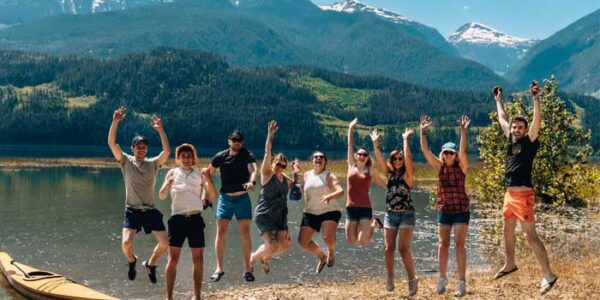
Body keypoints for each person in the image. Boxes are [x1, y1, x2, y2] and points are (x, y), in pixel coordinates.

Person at [493, 82, 558, 295]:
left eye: (520, 127)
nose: (516, 129)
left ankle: (548, 275)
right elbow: (502, 118)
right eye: (515, 127)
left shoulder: (530, 141)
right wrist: (498, 101)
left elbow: (537, 122)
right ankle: (510, 263)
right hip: (509, 195)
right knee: (507, 230)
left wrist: (536, 99)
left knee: (530, 237)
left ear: (525, 129)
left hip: (523, 195)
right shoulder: (510, 139)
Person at [107, 106, 171, 283]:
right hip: (132, 211)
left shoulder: (153, 164)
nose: (142, 149)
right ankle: (131, 260)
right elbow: (111, 143)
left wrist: (160, 130)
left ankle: (150, 264)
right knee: (126, 243)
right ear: (133, 148)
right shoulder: (125, 161)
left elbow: (166, 152)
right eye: (139, 147)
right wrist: (115, 122)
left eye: (144, 147)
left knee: (165, 243)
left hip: (150, 211)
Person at [420, 115, 471, 297]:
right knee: (443, 244)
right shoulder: (439, 166)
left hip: (461, 210)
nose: (448, 155)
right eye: (446, 153)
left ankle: (462, 283)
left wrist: (463, 132)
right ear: (442, 154)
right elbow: (425, 151)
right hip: (445, 209)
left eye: (451, 153)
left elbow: (464, 151)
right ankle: (442, 278)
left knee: (459, 245)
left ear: (455, 155)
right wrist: (423, 131)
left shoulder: (462, 167)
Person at [159, 144, 217, 300]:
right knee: (172, 260)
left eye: (189, 156)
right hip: (177, 219)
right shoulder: (172, 172)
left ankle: (197, 296)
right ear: (178, 159)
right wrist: (167, 184)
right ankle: (169, 297)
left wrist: (208, 179)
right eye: (182, 156)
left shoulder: (200, 175)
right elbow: (162, 196)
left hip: (195, 219)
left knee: (198, 260)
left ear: (193, 159)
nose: (186, 159)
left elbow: (213, 195)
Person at [370, 127, 418, 296]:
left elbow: (410, 158)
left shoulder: (408, 176)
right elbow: (380, 162)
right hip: (390, 214)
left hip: (406, 214)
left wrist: (405, 140)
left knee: (403, 249)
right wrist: (375, 144)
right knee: (388, 248)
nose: (398, 161)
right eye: (395, 159)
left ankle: (412, 279)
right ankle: (390, 277)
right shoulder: (389, 175)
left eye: (400, 158)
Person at [208, 129, 258, 282]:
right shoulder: (220, 156)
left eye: (239, 140)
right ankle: (219, 268)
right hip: (225, 199)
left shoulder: (246, 154)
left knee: (245, 233)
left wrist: (252, 182)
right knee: (221, 232)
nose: (237, 143)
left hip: (242, 198)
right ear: (229, 141)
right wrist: (207, 193)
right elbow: (208, 173)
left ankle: (248, 269)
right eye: (234, 140)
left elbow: (254, 170)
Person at [250, 121, 298, 274]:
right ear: (272, 163)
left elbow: (295, 187)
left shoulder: (285, 178)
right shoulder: (266, 174)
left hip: (280, 215)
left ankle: (265, 256)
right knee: (273, 245)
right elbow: (266, 153)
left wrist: (295, 172)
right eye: (278, 164)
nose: (280, 168)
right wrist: (270, 136)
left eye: (283, 166)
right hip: (265, 214)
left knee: (286, 245)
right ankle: (252, 257)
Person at [298, 151, 344, 274]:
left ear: (325, 161)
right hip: (310, 212)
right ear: (312, 161)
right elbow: (304, 191)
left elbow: (340, 191)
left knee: (327, 237)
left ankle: (331, 251)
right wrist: (295, 175)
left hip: (329, 210)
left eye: (321, 157)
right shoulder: (307, 175)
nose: (318, 158)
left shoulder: (329, 175)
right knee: (303, 242)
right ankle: (322, 257)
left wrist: (330, 196)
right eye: (316, 157)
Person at [346, 118, 383, 246]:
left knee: (363, 240)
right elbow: (350, 145)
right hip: (351, 207)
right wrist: (351, 128)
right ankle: (372, 225)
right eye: (360, 154)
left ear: (367, 158)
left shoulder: (370, 170)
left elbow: (380, 181)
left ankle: (374, 225)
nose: (362, 156)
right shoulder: (351, 165)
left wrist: (393, 188)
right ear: (356, 156)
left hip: (365, 208)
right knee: (351, 240)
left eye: (364, 155)